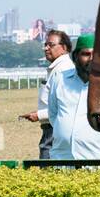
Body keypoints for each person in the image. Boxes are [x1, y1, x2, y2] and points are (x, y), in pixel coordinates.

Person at [46, 33, 100, 161]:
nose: (92, 59)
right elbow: (53, 114)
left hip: (97, 159)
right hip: (62, 158)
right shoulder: (60, 79)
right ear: (75, 56)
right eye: (86, 54)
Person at [20, 30, 73, 159]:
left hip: (55, 128)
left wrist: (39, 115)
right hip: (51, 126)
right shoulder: (56, 68)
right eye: (45, 45)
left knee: (49, 169)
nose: (46, 48)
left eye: (51, 45)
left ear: (64, 48)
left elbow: (65, 107)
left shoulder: (64, 70)